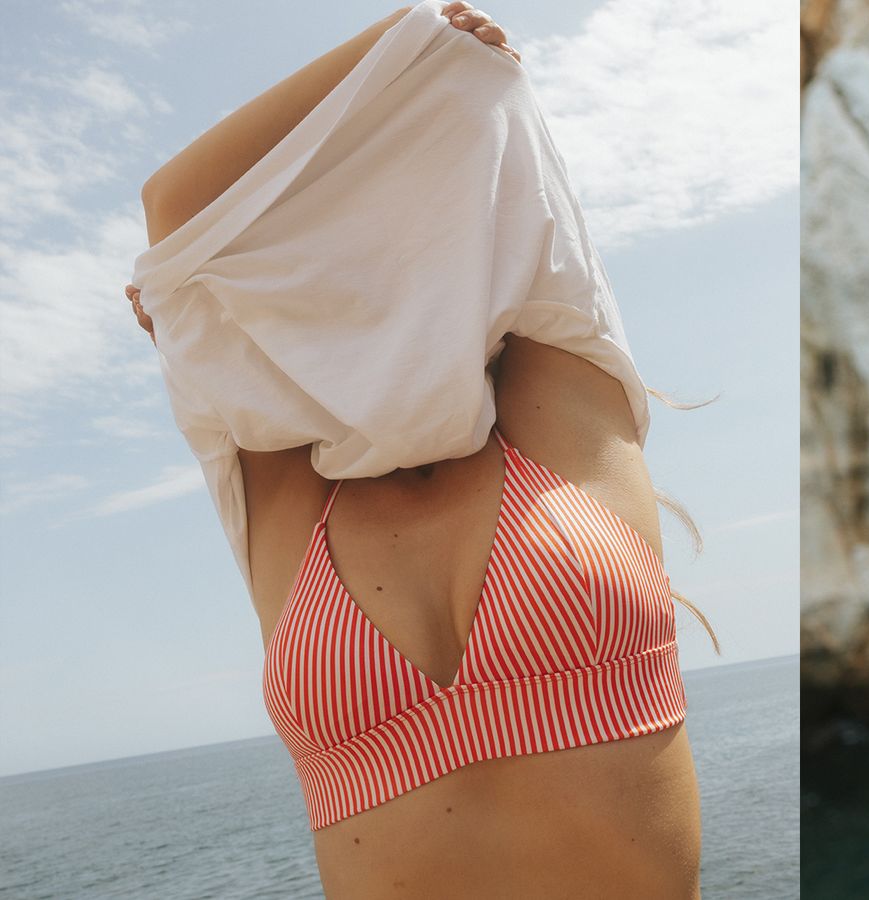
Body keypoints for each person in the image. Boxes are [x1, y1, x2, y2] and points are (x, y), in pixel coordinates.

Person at [127, 3, 704, 896]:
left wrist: (431, 47)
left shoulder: (539, 436)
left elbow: (503, 145)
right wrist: (411, 30)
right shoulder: (302, 500)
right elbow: (172, 208)